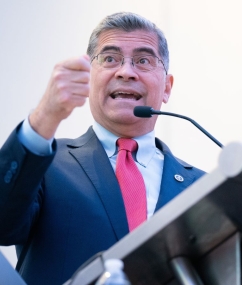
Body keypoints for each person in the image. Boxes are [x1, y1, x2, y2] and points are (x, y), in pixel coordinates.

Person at [0, 12, 205, 285]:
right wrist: (45, 116)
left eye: (143, 60)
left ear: (166, 88)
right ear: (89, 78)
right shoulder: (45, 166)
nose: (126, 72)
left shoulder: (202, 188)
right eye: (110, 59)